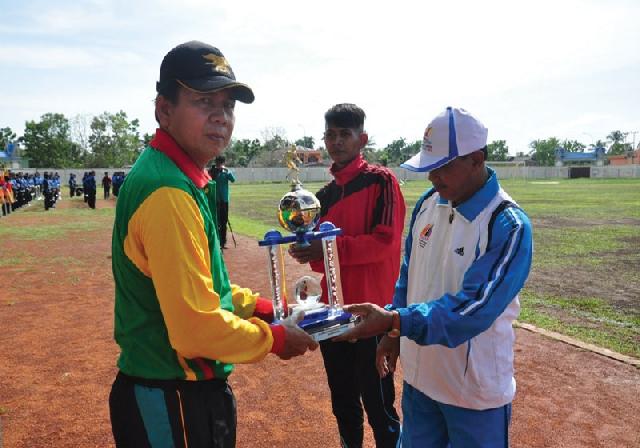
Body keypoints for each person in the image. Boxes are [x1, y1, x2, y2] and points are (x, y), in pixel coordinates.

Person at [109, 40, 318, 448]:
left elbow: (210, 291)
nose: (221, 117)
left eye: (228, 105)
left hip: (172, 394)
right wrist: (276, 337)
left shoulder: (178, 178)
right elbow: (195, 329)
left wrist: (271, 308)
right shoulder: (167, 191)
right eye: (204, 101)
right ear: (164, 110)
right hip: (173, 399)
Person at [335, 107, 534, 448]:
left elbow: (472, 311)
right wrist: (394, 332)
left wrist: (397, 320)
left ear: (477, 158)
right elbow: (409, 276)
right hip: (420, 381)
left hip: (474, 394)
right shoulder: (429, 203)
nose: (433, 177)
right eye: (429, 166)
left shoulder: (506, 225)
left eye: (443, 166)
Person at [289, 103, 406, 448]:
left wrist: (328, 248)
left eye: (345, 134)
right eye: (331, 135)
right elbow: (323, 263)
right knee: (342, 401)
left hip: (373, 311)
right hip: (333, 312)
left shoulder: (381, 181)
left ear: (362, 139)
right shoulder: (322, 196)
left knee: (379, 403)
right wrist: (308, 251)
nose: (337, 142)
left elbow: (385, 243)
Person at [208, 155, 235, 249]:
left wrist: (227, 171)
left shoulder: (226, 172)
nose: (219, 165)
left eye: (220, 163)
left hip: (224, 200)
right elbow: (206, 179)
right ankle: (216, 241)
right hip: (215, 200)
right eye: (217, 163)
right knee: (216, 221)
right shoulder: (212, 172)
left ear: (223, 163)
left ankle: (223, 242)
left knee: (223, 222)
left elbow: (233, 179)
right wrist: (211, 172)